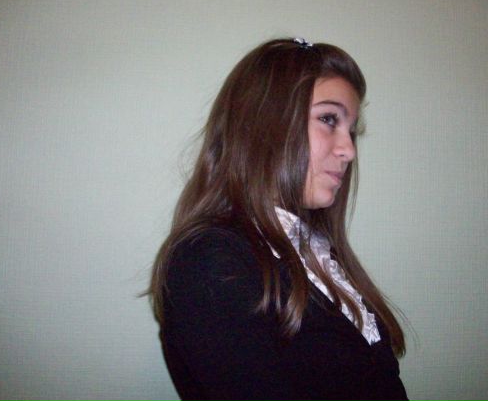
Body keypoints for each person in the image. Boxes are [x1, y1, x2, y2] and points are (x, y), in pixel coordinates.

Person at [147, 38, 408, 400]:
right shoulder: (209, 263)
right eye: (328, 119)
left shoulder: (313, 250)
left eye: (351, 130)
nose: (348, 150)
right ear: (264, 123)